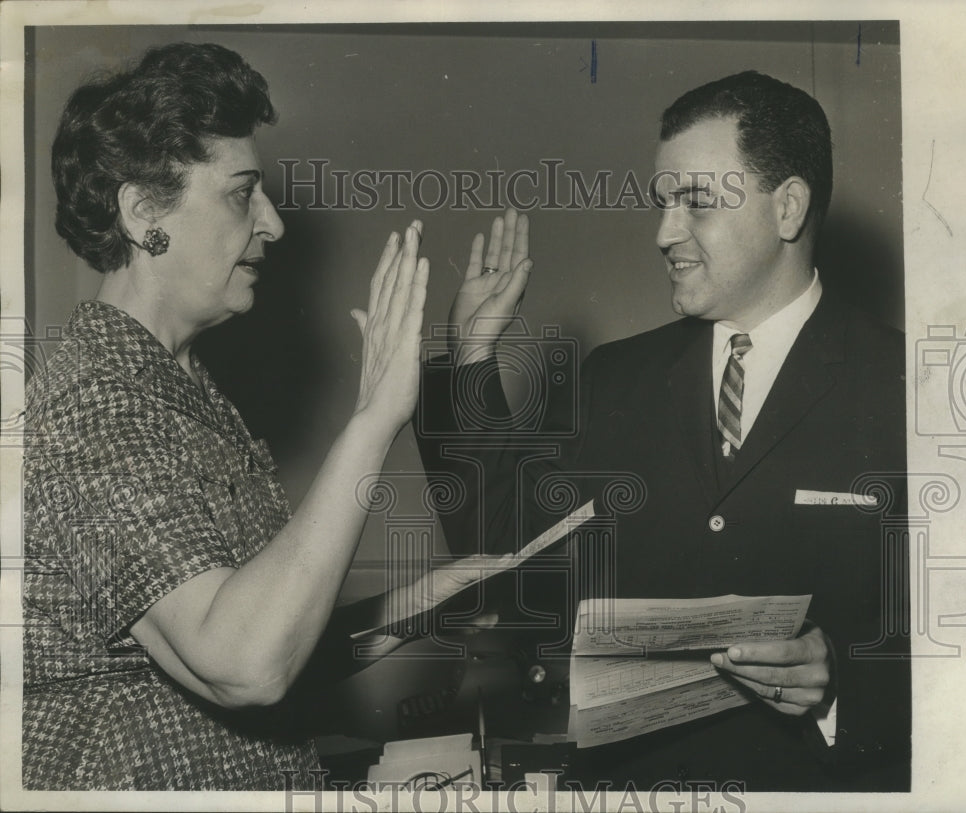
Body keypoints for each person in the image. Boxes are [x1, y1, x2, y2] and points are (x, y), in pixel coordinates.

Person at [416, 71, 910, 791]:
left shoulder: (905, 387)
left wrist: (838, 682)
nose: (663, 233)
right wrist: (472, 359)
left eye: (696, 203)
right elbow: (499, 559)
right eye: (662, 203)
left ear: (788, 208)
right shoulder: (613, 377)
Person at [22, 41, 491, 791]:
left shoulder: (175, 388)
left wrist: (423, 599)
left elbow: (263, 622)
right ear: (146, 214)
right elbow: (243, 664)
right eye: (243, 192)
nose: (271, 222)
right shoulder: (98, 403)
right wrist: (373, 419)